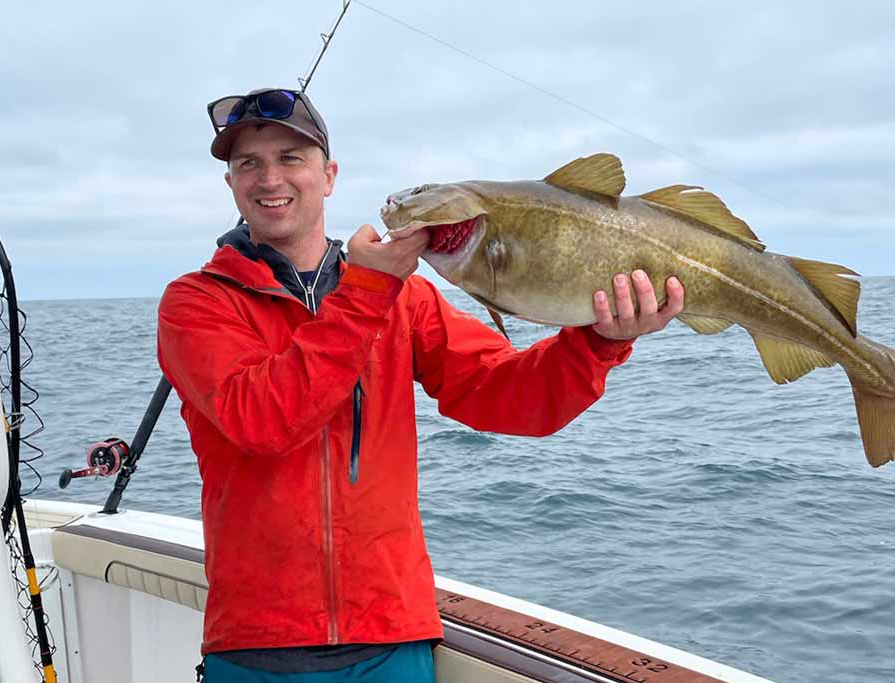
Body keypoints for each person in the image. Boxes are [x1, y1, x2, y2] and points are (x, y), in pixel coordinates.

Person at [157, 88, 685, 683]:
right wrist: (365, 292)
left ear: (328, 177)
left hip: (392, 634)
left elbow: (509, 397)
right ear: (231, 185)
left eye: (290, 158)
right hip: (253, 643)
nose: (269, 177)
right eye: (247, 163)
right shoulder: (196, 302)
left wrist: (596, 343)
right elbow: (262, 420)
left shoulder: (404, 296)